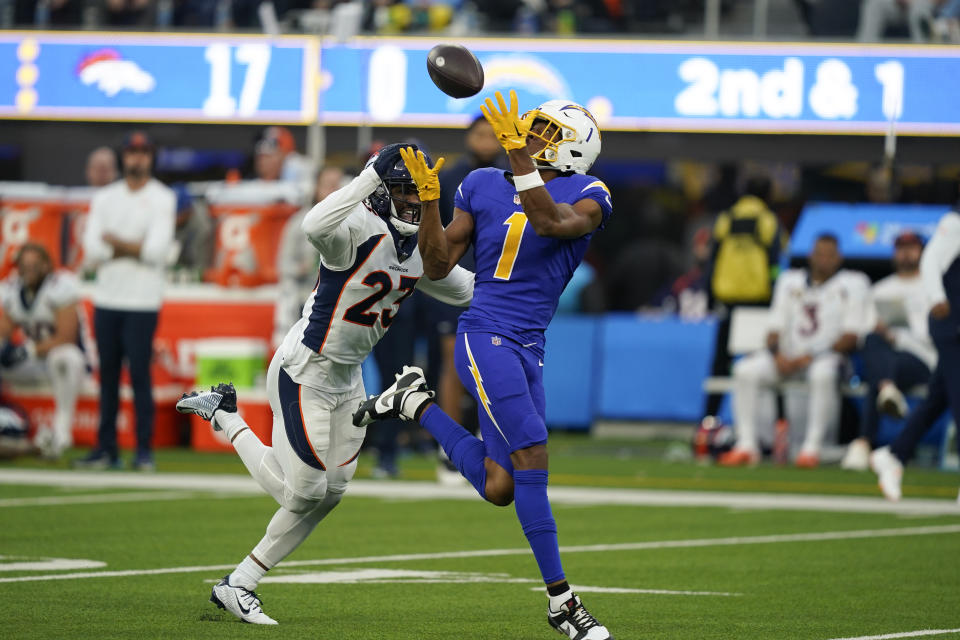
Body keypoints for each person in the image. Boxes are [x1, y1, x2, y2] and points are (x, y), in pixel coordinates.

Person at [174, 142, 474, 625]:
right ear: (380, 190)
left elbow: (468, 289)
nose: (413, 203)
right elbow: (314, 224)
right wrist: (369, 177)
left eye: (419, 193)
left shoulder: (422, 251)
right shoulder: (355, 228)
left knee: (330, 492)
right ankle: (227, 420)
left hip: (348, 380)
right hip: (304, 370)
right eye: (402, 191)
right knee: (306, 492)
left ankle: (239, 580)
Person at [355, 91, 613, 640]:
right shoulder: (480, 183)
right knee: (532, 450)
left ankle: (413, 403)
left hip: (530, 343)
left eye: (545, 132)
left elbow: (550, 223)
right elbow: (437, 263)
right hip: (486, 331)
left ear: (574, 148)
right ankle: (562, 602)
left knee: (501, 485)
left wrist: (521, 159)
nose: (530, 137)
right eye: (530, 130)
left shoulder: (590, 193)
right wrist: (429, 203)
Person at [719, 233, 870, 468]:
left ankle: (812, 447)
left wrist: (807, 357)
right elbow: (773, 328)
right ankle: (747, 444)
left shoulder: (853, 284)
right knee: (744, 370)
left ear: (839, 258)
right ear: (811, 255)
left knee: (823, 374)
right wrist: (777, 354)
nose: (824, 260)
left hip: (825, 357)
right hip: (787, 357)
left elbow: (851, 337)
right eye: (819, 254)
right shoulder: (790, 281)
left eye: (830, 255)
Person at [75, 131, 176, 472]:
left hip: (143, 300)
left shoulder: (162, 197)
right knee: (107, 377)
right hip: (107, 297)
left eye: (143, 152)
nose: (137, 159)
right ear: (124, 157)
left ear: (151, 157)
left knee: (139, 378)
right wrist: (134, 247)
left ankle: (143, 449)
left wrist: (116, 245)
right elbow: (92, 249)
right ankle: (107, 448)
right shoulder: (105, 197)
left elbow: (157, 251)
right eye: (132, 153)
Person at [870, 211, 960, 502]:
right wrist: (936, 298)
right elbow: (931, 259)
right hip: (950, 323)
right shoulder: (955, 223)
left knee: (938, 398)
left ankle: (895, 455)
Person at [841, 232, 936, 471]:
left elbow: (938, 334)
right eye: (901, 248)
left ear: (922, 251)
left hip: (923, 358)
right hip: (887, 356)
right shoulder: (881, 289)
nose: (905, 253)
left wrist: (900, 334)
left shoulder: (934, 287)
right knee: (874, 343)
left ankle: (863, 442)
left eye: (911, 247)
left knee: (880, 373)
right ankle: (887, 389)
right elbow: (865, 333)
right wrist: (883, 331)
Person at [701, 174, 788, 430]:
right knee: (767, 365)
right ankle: (777, 426)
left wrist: (710, 296)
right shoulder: (769, 221)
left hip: (727, 303)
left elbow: (712, 261)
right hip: (759, 303)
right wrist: (775, 296)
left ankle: (708, 424)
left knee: (720, 365)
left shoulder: (725, 219)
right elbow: (775, 264)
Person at [0, 244, 86, 459]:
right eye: (24, 265)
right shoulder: (12, 289)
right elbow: (4, 330)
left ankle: (62, 431)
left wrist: (28, 350)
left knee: (64, 357)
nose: (28, 270)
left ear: (46, 265)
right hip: (36, 362)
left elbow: (67, 337)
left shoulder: (61, 286)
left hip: (73, 362)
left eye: (34, 265)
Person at [273, 166, 347, 348]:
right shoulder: (299, 222)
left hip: (343, 306)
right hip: (307, 302)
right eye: (328, 185)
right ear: (316, 188)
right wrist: (301, 269)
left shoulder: (355, 223)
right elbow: (282, 264)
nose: (334, 191)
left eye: (338, 185)